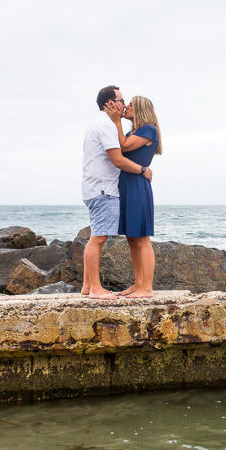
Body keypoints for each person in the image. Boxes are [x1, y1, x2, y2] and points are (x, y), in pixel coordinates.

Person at [81, 85, 152, 300]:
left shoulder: (105, 124)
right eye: (121, 100)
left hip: (98, 187)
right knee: (99, 238)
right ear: (110, 103)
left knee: (97, 236)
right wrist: (142, 170)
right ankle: (95, 288)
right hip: (103, 189)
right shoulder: (107, 125)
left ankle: (88, 286)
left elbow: (123, 148)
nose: (124, 104)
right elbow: (118, 159)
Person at [105, 95, 162, 298]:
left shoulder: (148, 129)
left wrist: (116, 121)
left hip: (137, 185)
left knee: (142, 238)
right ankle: (138, 284)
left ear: (140, 109)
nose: (126, 107)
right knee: (132, 237)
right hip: (127, 185)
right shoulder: (134, 131)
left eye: (130, 105)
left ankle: (147, 287)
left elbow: (125, 146)